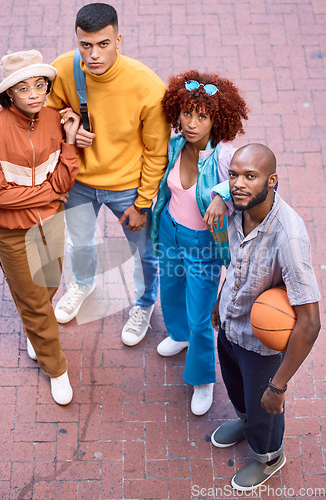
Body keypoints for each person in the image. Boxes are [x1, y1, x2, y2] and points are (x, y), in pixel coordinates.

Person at [46, 3, 170, 345]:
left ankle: (144, 304)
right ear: (77, 41)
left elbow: (157, 151)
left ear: (119, 39)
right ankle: (83, 284)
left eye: (103, 44)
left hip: (127, 188)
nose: (93, 54)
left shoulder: (147, 86)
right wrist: (65, 128)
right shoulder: (63, 70)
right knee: (80, 243)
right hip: (79, 183)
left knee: (145, 252)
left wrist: (143, 203)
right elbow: (42, 120)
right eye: (85, 45)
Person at [210, 144, 321, 492]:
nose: (238, 184)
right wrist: (219, 302)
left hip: (262, 345)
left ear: (271, 181)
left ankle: (269, 457)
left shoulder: (289, 237)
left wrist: (279, 385)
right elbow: (235, 262)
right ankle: (245, 422)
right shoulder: (234, 209)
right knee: (237, 392)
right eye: (233, 175)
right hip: (230, 326)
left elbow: (311, 321)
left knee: (265, 412)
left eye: (250, 176)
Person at [0, 50, 81, 405]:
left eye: (40, 85)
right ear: (10, 95)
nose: (34, 94)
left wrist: (68, 140)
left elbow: (66, 178)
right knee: (35, 302)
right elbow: (0, 195)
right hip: (12, 231)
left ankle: (37, 334)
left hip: (50, 222)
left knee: (47, 288)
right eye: (23, 88)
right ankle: (57, 368)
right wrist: (50, 192)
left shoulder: (54, 120)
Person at [150, 71, 249, 415]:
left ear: (217, 119)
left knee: (201, 317)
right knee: (171, 292)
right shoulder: (176, 144)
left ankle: (203, 377)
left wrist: (223, 193)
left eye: (202, 116)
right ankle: (178, 336)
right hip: (170, 231)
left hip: (202, 245)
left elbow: (258, 186)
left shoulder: (224, 157)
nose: (191, 123)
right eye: (186, 113)